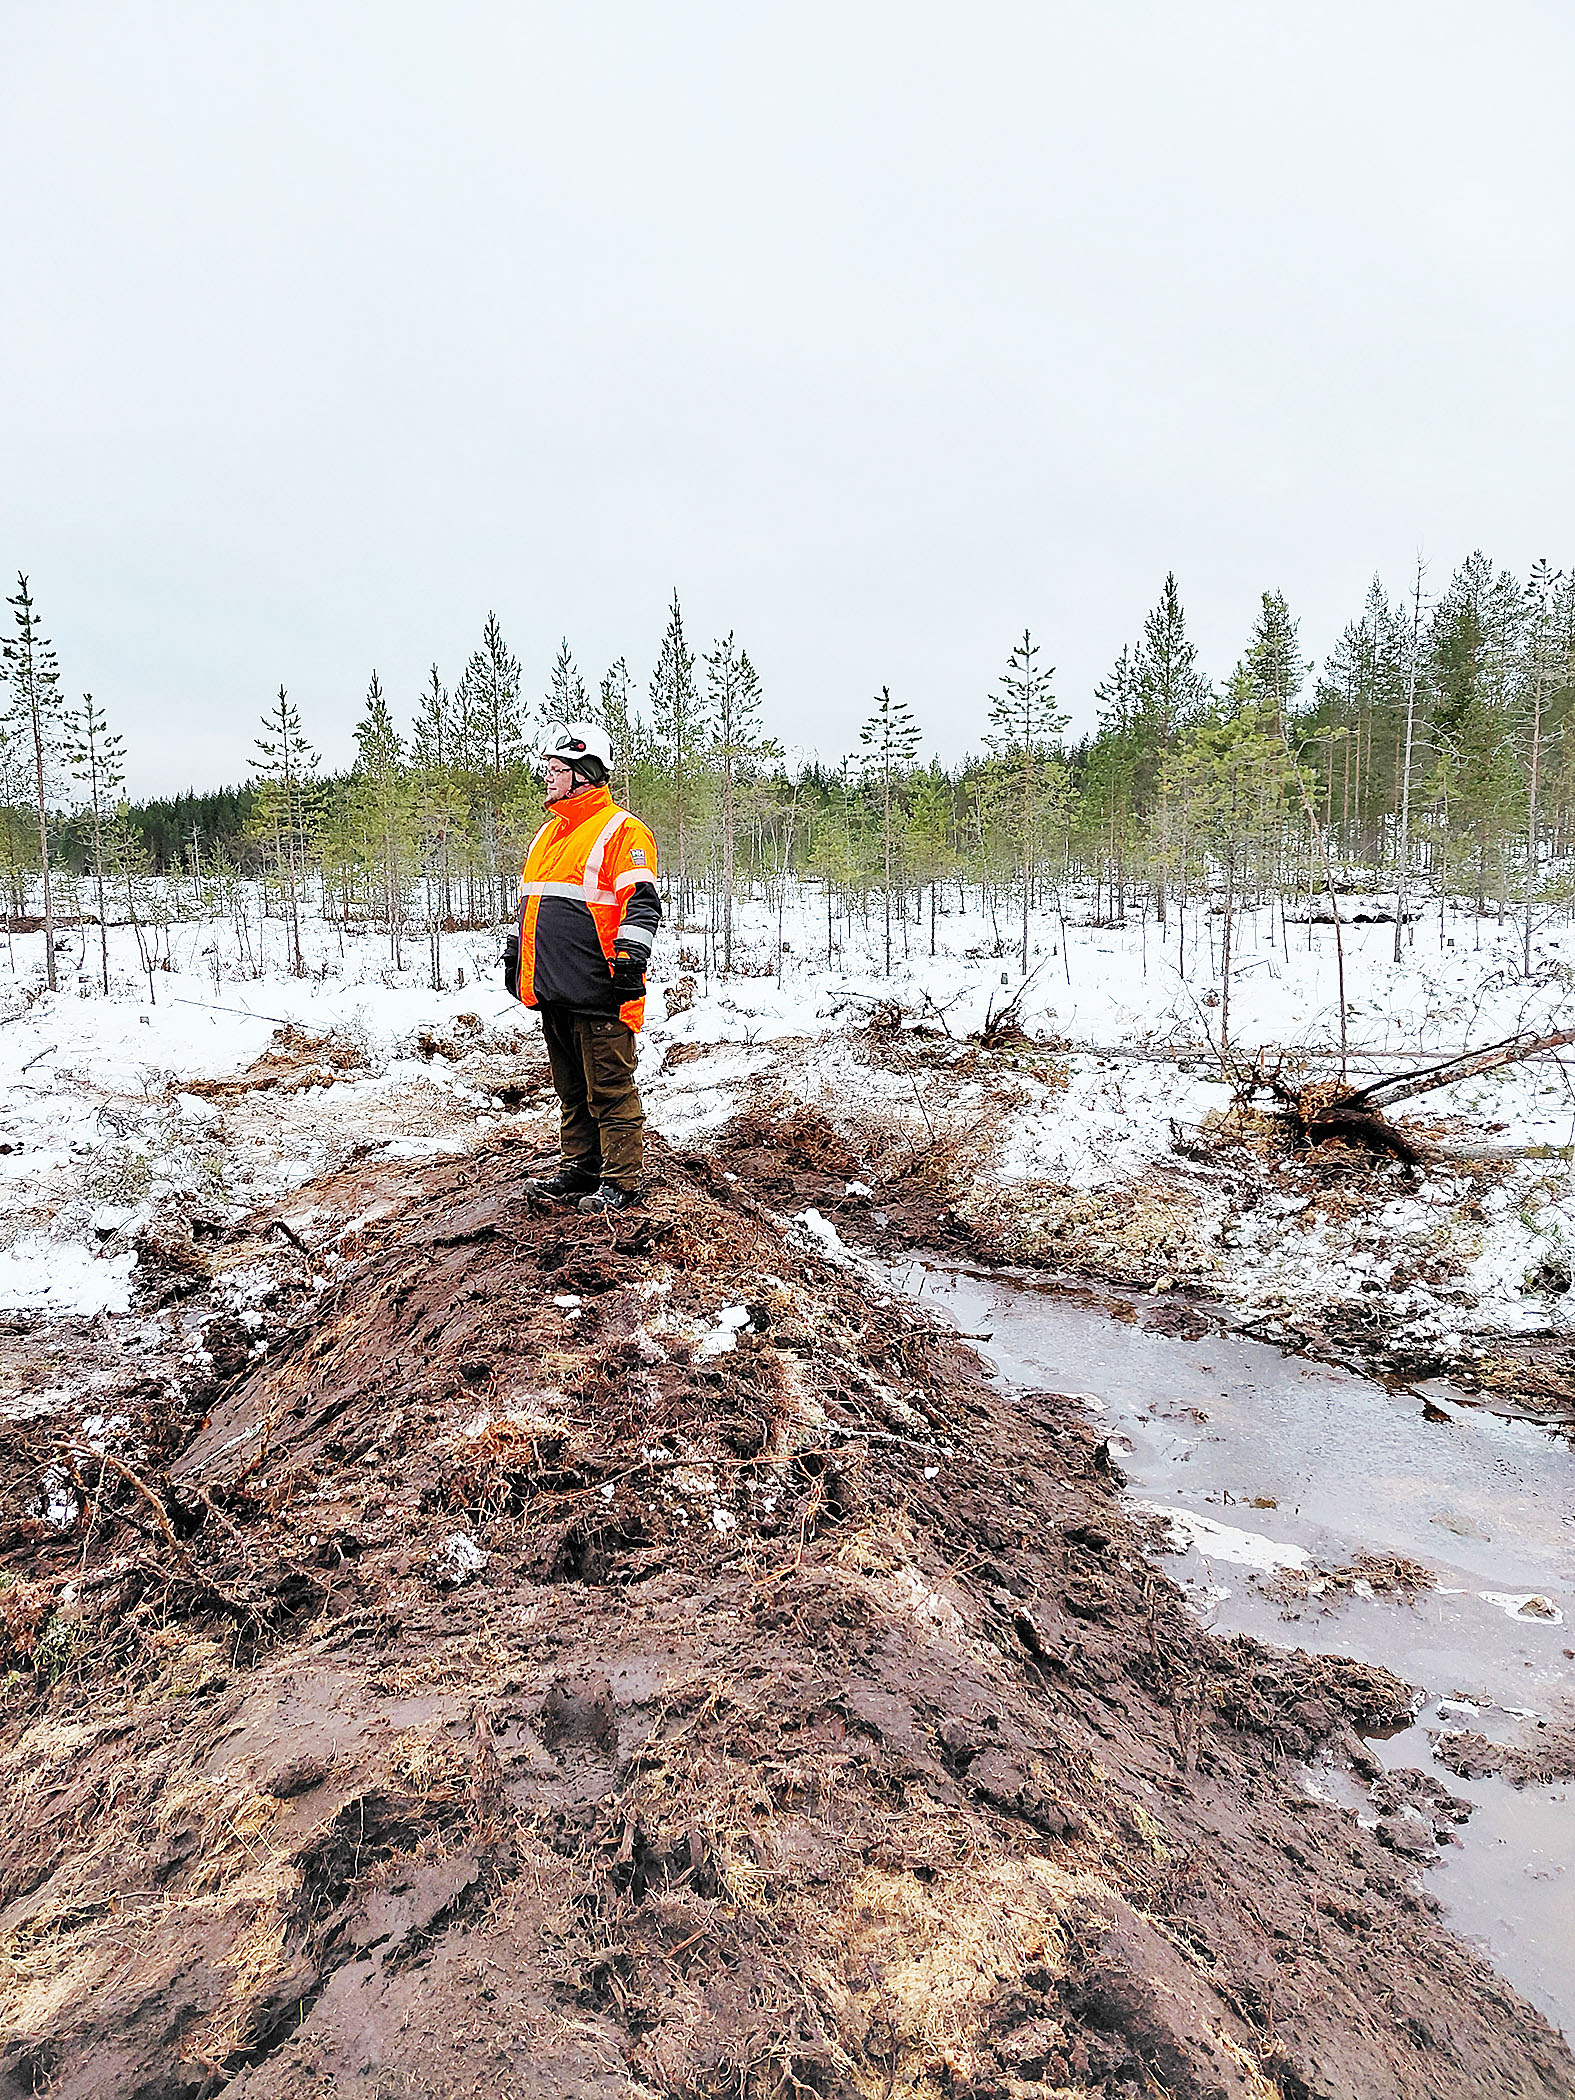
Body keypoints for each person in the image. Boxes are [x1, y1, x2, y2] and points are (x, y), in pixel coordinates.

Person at [504, 723, 662, 1212]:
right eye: (547, 769)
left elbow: (642, 902)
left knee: (610, 1089)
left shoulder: (623, 830)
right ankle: (582, 1167)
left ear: (584, 773)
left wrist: (631, 959)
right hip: (553, 988)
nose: (547, 778)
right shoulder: (548, 833)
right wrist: (517, 956)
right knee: (571, 1090)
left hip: (599, 987)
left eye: (556, 771)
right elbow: (534, 904)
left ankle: (621, 1181)